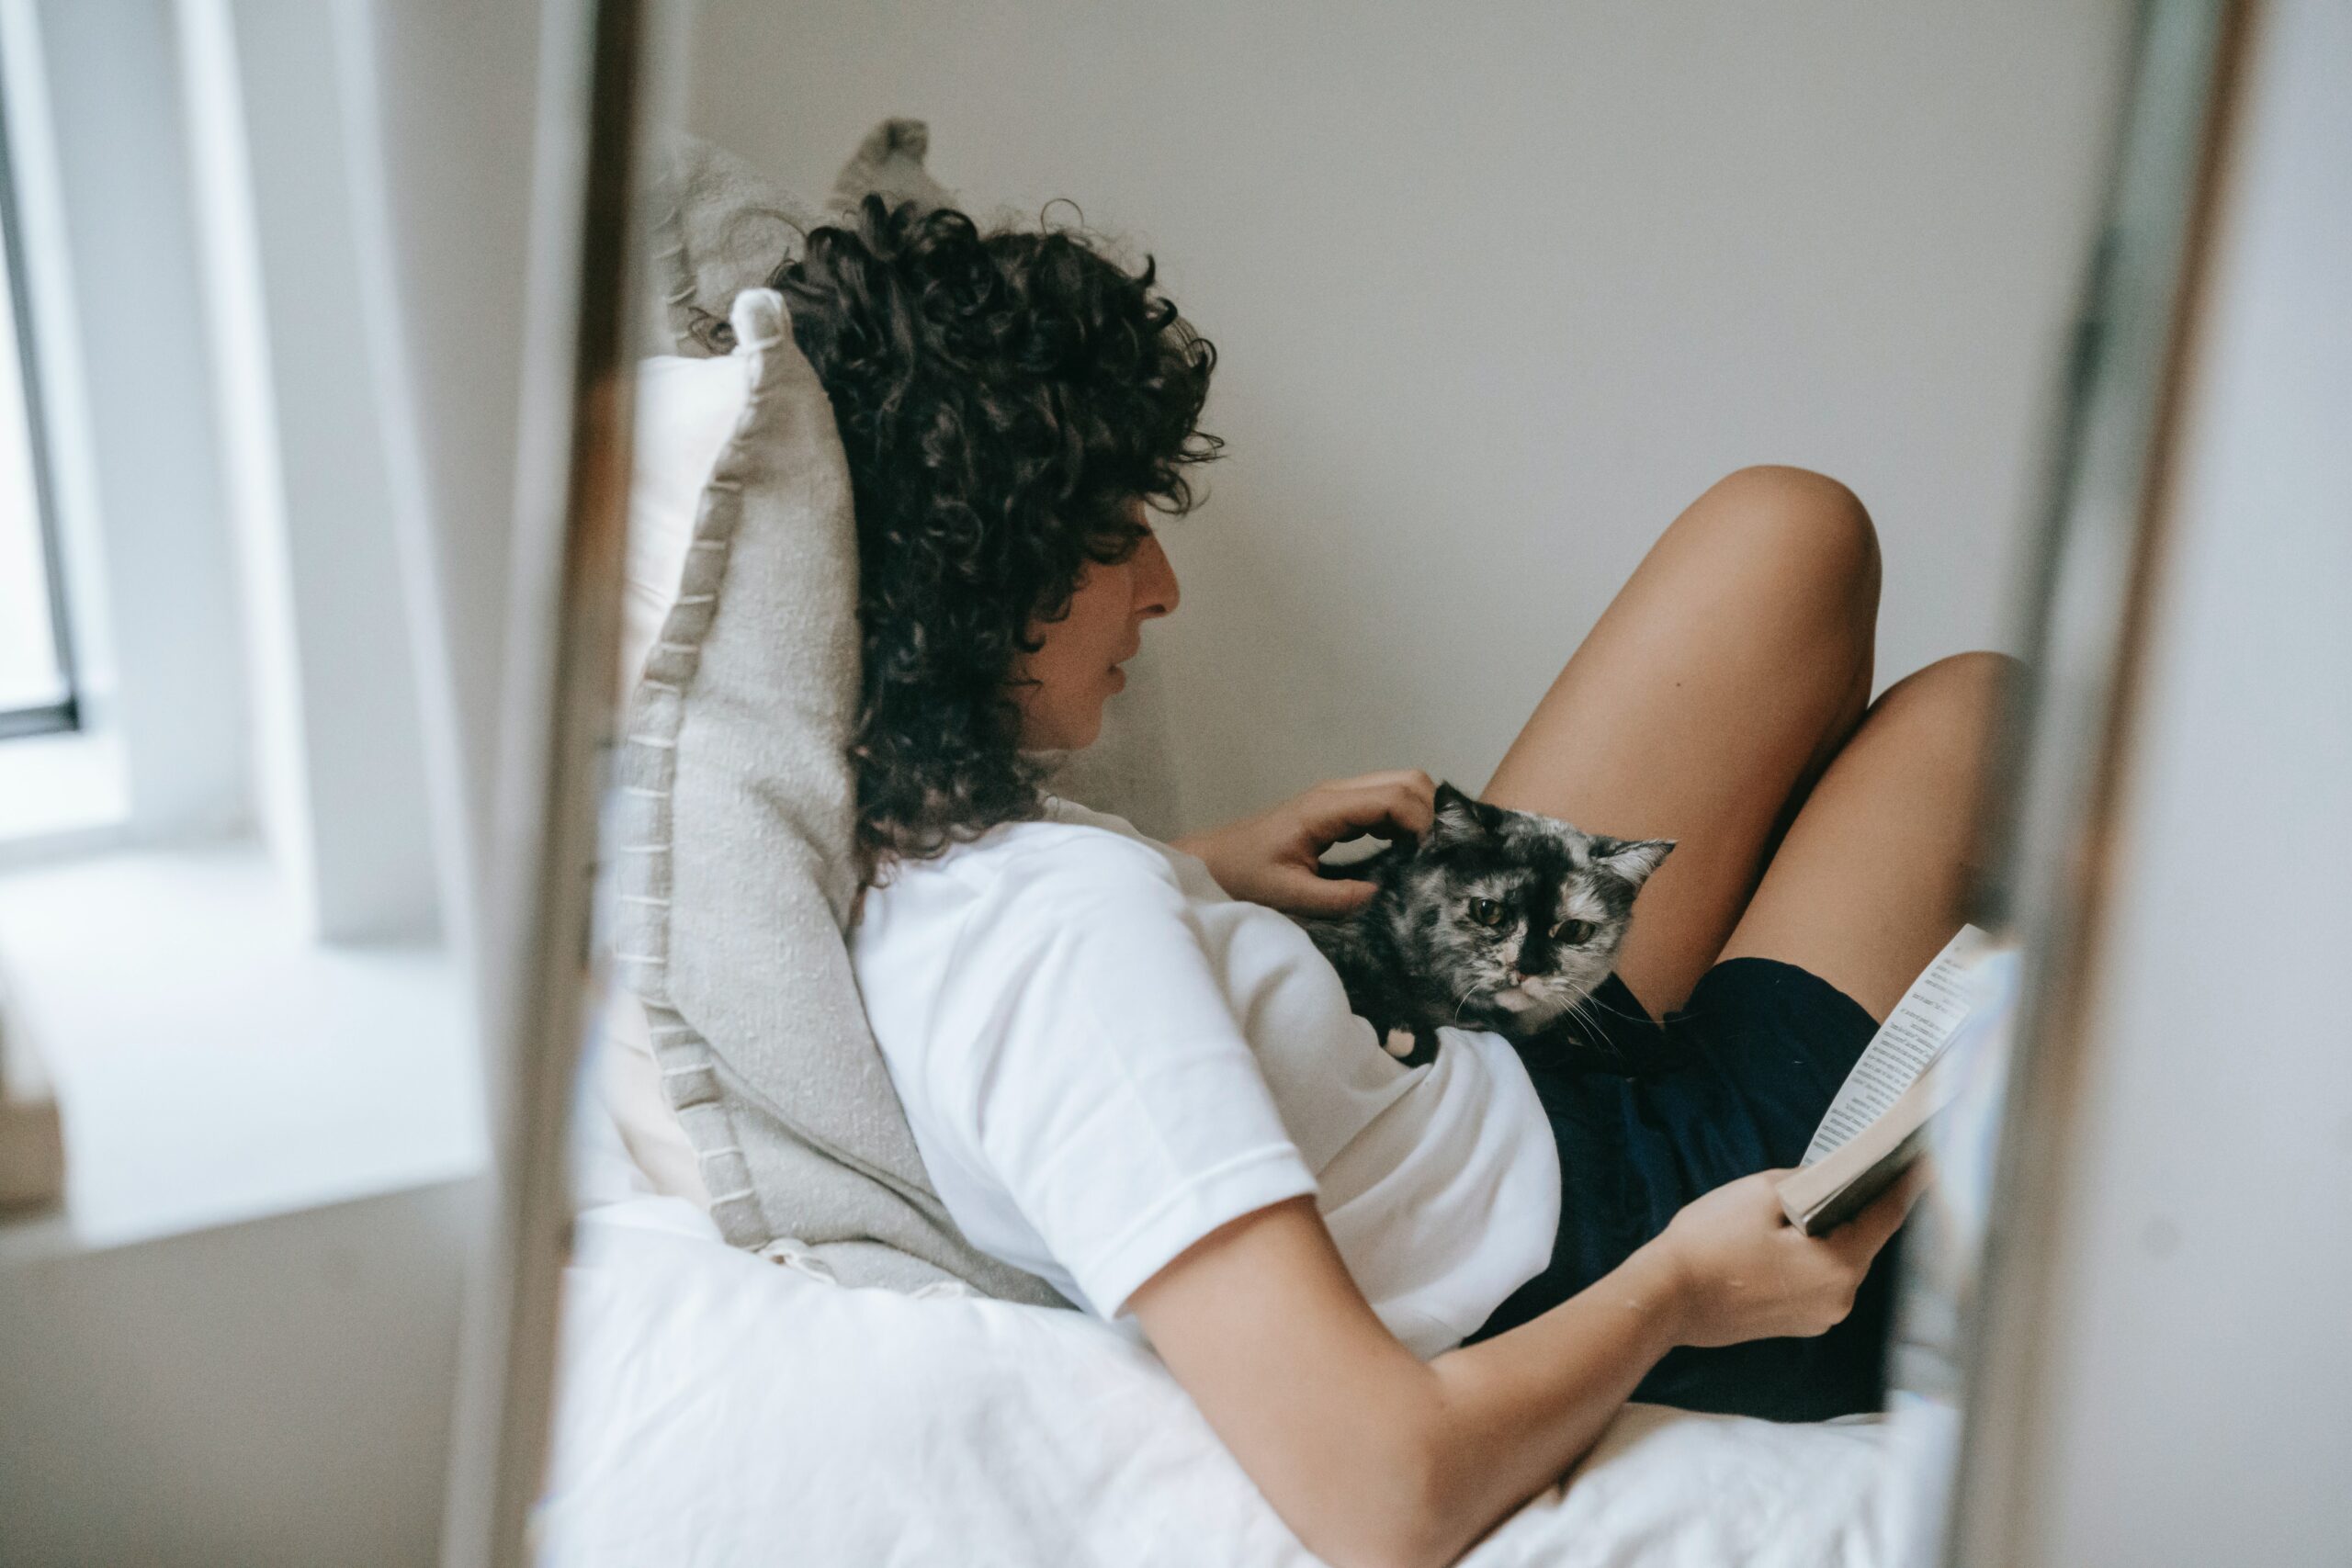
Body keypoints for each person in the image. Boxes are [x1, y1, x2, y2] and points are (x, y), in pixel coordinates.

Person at [778, 197, 2007, 1568]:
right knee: (1977, 720)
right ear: (974, 580)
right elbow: (1381, 1495)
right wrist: (1680, 1295)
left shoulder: (899, 863)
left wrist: (1199, 875)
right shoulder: (1062, 945)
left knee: (1788, 532)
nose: (1165, 586)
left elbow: (1055, 996)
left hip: (1472, 1087)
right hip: (1633, 1231)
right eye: (1117, 534)